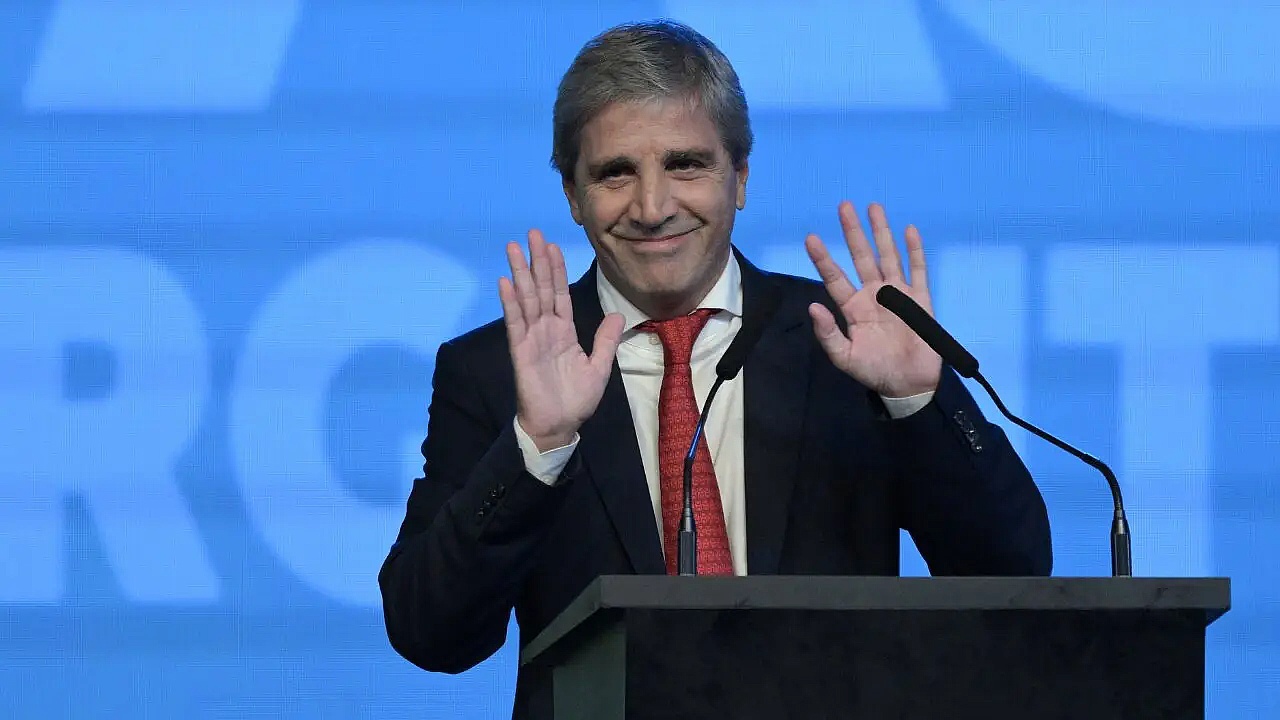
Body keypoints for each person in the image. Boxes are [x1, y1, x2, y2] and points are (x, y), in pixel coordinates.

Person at [378, 19, 1051, 719]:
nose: (652, 207)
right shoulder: (496, 372)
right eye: (615, 173)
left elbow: (1013, 575)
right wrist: (537, 448)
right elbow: (431, 635)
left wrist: (917, 400)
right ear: (573, 195)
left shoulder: (851, 346)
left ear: (741, 177)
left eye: (686, 165)